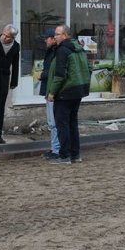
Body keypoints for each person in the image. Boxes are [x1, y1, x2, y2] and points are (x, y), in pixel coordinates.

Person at [47, 25, 91, 164]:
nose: (55, 36)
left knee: (62, 125)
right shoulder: (79, 48)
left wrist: (52, 92)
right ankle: (75, 154)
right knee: (72, 123)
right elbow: (89, 68)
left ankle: (64, 156)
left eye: (57, 34)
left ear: (65, 35)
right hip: (77, 91)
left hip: (65, 92)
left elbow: (60, 75)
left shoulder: (63, 50)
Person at [38, 28, 60, 159]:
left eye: (47, 38)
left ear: (53, 38)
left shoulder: (56, 52)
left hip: (53, 91)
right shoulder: (51, 51)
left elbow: (55, 72)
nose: (45, 40)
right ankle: (54, 148)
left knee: (54, 122)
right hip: (50, 90)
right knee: (53, 122)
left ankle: (56, 150)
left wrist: (42, 75)